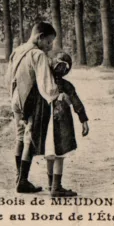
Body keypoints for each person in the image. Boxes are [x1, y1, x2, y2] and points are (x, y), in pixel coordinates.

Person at [5, 21, 63, 193]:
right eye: (48, 42)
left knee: (20, 136)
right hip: (30, 101)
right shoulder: (38, 55)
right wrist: (56, 96)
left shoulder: (17, 50)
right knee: (29, 139)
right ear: (40, 37)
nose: (50, 46)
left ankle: (19, 176)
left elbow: (9, 77)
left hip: (16, 99)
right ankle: (22, 181)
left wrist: (13, 97)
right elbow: (46, 83)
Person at [29, 51, 89, 197]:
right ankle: (56, 187)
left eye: (64, 67)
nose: (61, 69)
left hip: (53, 123)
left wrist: (83, 118)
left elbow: (75, 101)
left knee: (52, 153)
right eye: (59, 65)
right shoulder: (50, 85)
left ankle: (52, 185)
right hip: (55, 123)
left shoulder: (47, 85)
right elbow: (74, 101)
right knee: (57, 154)